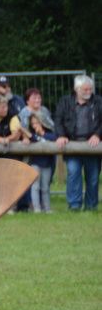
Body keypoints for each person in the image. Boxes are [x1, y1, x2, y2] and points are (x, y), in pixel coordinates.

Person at [54, 74, 100, 211]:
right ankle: (74, 205)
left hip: (93, 146)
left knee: (92, 177)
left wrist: (98, 135)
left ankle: (91, 206)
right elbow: (58, 120)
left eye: (90, 89)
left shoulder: (98, 102)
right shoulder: (65, 101)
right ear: (76, 89)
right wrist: (61, 135)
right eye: (85, 90)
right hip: (72, 145)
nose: (88, 92)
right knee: (73, 173)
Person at [22, 89, 57, 213]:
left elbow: (52, 127)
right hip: (33, 156)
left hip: (47, 152)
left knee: (45, 183)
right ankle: (33, 205)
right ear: (27, 100)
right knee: (34, 183)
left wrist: (44, 132)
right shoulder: (25, 113)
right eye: (34, 98)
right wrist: (27, 136)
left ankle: (45, 206)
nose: (37, 101)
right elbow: (24, 129)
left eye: (39, 98)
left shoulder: (45, 111)